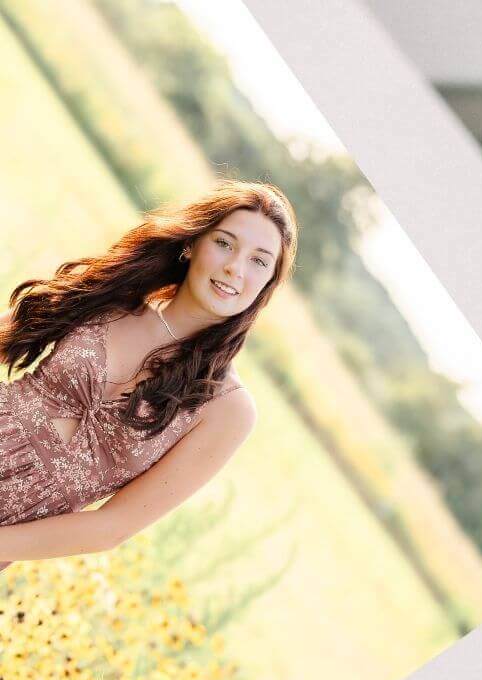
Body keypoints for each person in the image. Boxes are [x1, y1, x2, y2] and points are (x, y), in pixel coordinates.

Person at [0, 179, 297, 571]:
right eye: (224, 242)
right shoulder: (113, 297)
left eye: (259, 260)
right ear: (193, 244)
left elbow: (112, 527)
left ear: (267, 284)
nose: (235, 267)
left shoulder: (227, 410)